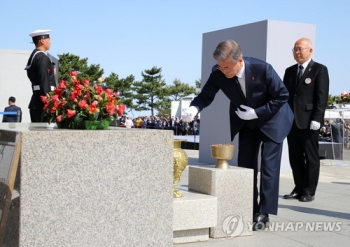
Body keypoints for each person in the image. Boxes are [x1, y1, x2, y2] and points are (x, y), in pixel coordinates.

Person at [181, 39, 293, 231]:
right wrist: (193, 109)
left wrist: (257, 112)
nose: (223, 71)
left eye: (226, 67)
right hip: (246, 121)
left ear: (239, 60)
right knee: (246, 165)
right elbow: (205, 96)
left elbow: (282, 95)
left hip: (272, 119)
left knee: (268, 167)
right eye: (220, 66)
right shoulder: (218, 72)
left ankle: (263, 213)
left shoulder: (262, 69)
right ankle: (250, 207)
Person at [282, 38, 329, 202]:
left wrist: (317, 118)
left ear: (310, 50)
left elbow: (321, 97)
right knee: (294, 156)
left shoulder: (319, 70)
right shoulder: (289, 71)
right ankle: (299, 187)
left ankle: (309, 190)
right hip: (292, 121)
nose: (297, 52)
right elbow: (285, 96)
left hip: (309, 122)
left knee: (310, 157)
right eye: (294, 49)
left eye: (300, 48)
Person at [25, 29, 56, 122]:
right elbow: (44, 82)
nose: (50, 42)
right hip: (43, 104)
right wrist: (49, 103)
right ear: (42, 40)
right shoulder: (42, 58)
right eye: (49, 39)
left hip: (37, 102)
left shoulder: (35, 55)